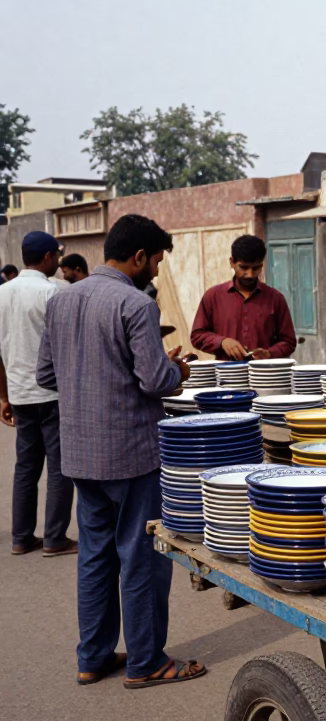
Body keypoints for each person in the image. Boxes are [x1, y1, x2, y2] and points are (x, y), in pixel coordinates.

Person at [37, 213, 206, 689]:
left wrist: (89, 378)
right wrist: (178, 373)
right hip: (132, 454)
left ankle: (92, 656)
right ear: (137, 257)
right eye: (155, 261)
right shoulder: (136, 305)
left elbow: (46, 376)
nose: (156, 270)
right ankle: (147, 661)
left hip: (81, 455)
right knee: (141, 556)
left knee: (94, 556)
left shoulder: (62, 301)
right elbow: (154, 380)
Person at [0, 231, 76, 556]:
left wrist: (3, 397)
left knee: (26, 466)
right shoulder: (51, 292)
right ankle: (55, 537)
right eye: (56, 256)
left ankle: (21, 537)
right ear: (47, 258)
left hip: (19, 393)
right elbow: (67, 346)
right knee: (59, 467)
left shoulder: (2, 293)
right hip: (51, 392)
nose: (58, 262)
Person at [190, 234, 296, 361]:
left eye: (255, 268)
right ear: (232, 263)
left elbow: (289, 341)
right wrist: (222, 342)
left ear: (261, 266)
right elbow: (197, 336)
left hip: (265, 376)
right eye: (244, 267)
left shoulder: (276, 298)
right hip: (226, 377)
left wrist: (269, 353)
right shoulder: (213, 296)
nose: (250, 274)